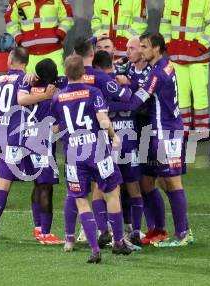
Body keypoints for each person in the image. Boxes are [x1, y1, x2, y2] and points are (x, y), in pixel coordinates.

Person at [110, 33, 194, 247]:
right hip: (159, 132)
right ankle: (158, 229)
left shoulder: (156, 74)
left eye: (145, 47)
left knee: (173, 183)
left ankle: (184, 233)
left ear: (156, 49)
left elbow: (134, 103)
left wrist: (108, 104)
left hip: (166, 132)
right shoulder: (167, 65)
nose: (142, 50)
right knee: (147, 181)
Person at [51, 55, 132, 263]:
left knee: (81, 201)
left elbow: (54, 129)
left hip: (73, 156)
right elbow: (103, 120)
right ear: (83, 72)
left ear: (66, 72)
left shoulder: (58, 98)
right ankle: (118, 242)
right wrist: (114, 136)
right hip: (98, 151)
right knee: (112, 193)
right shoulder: (93, 92)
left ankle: (95, 250)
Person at [0, 47, 55, 243]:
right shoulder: (26, 80)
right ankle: (40, 230)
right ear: (26, 61)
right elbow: (25, 99)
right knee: (39, 182)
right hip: (15, 136)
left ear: (10, 59)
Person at [71, 37, 132, 248]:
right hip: (100, 141)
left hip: (74, 146)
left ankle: (89, 233)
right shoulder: (100, 78)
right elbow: (125, 96)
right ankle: (116, 238)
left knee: (84, 193)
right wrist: (123, 82)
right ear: (92, 54)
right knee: (111, 190)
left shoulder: (66, 80)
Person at [93, 49, 144, 248]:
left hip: (109, 143)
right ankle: (135, 230)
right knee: (133, 187)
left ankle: (104, 230)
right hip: (130, 139)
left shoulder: (100, 84)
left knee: (100, 189)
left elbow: (101, 110)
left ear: (97, 67)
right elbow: (133, 101)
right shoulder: (125, 80)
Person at [19, 58, 67, 244]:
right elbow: (55, 128)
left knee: (38, 184)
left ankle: (39, 229)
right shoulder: (53, 92)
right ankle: (46, 234)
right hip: (43, 143)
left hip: (27, 140)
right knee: (46, 186)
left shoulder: (30, 86)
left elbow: (21, 99)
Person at [159, 0, 210, 135]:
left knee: (200, 94)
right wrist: (168, 44)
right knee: (181, 94)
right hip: (177, 56)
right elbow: (164, 24)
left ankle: (201, 130)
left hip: (198, 57)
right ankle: (183, 128)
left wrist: (200, 46)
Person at [4, 0, 74, 75]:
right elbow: (10, 20)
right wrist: (18, 38)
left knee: (58, 83)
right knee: (29, 85)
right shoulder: (17, 1)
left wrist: (60, 34)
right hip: (29, 56)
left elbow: (67, 16)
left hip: (53, 52)